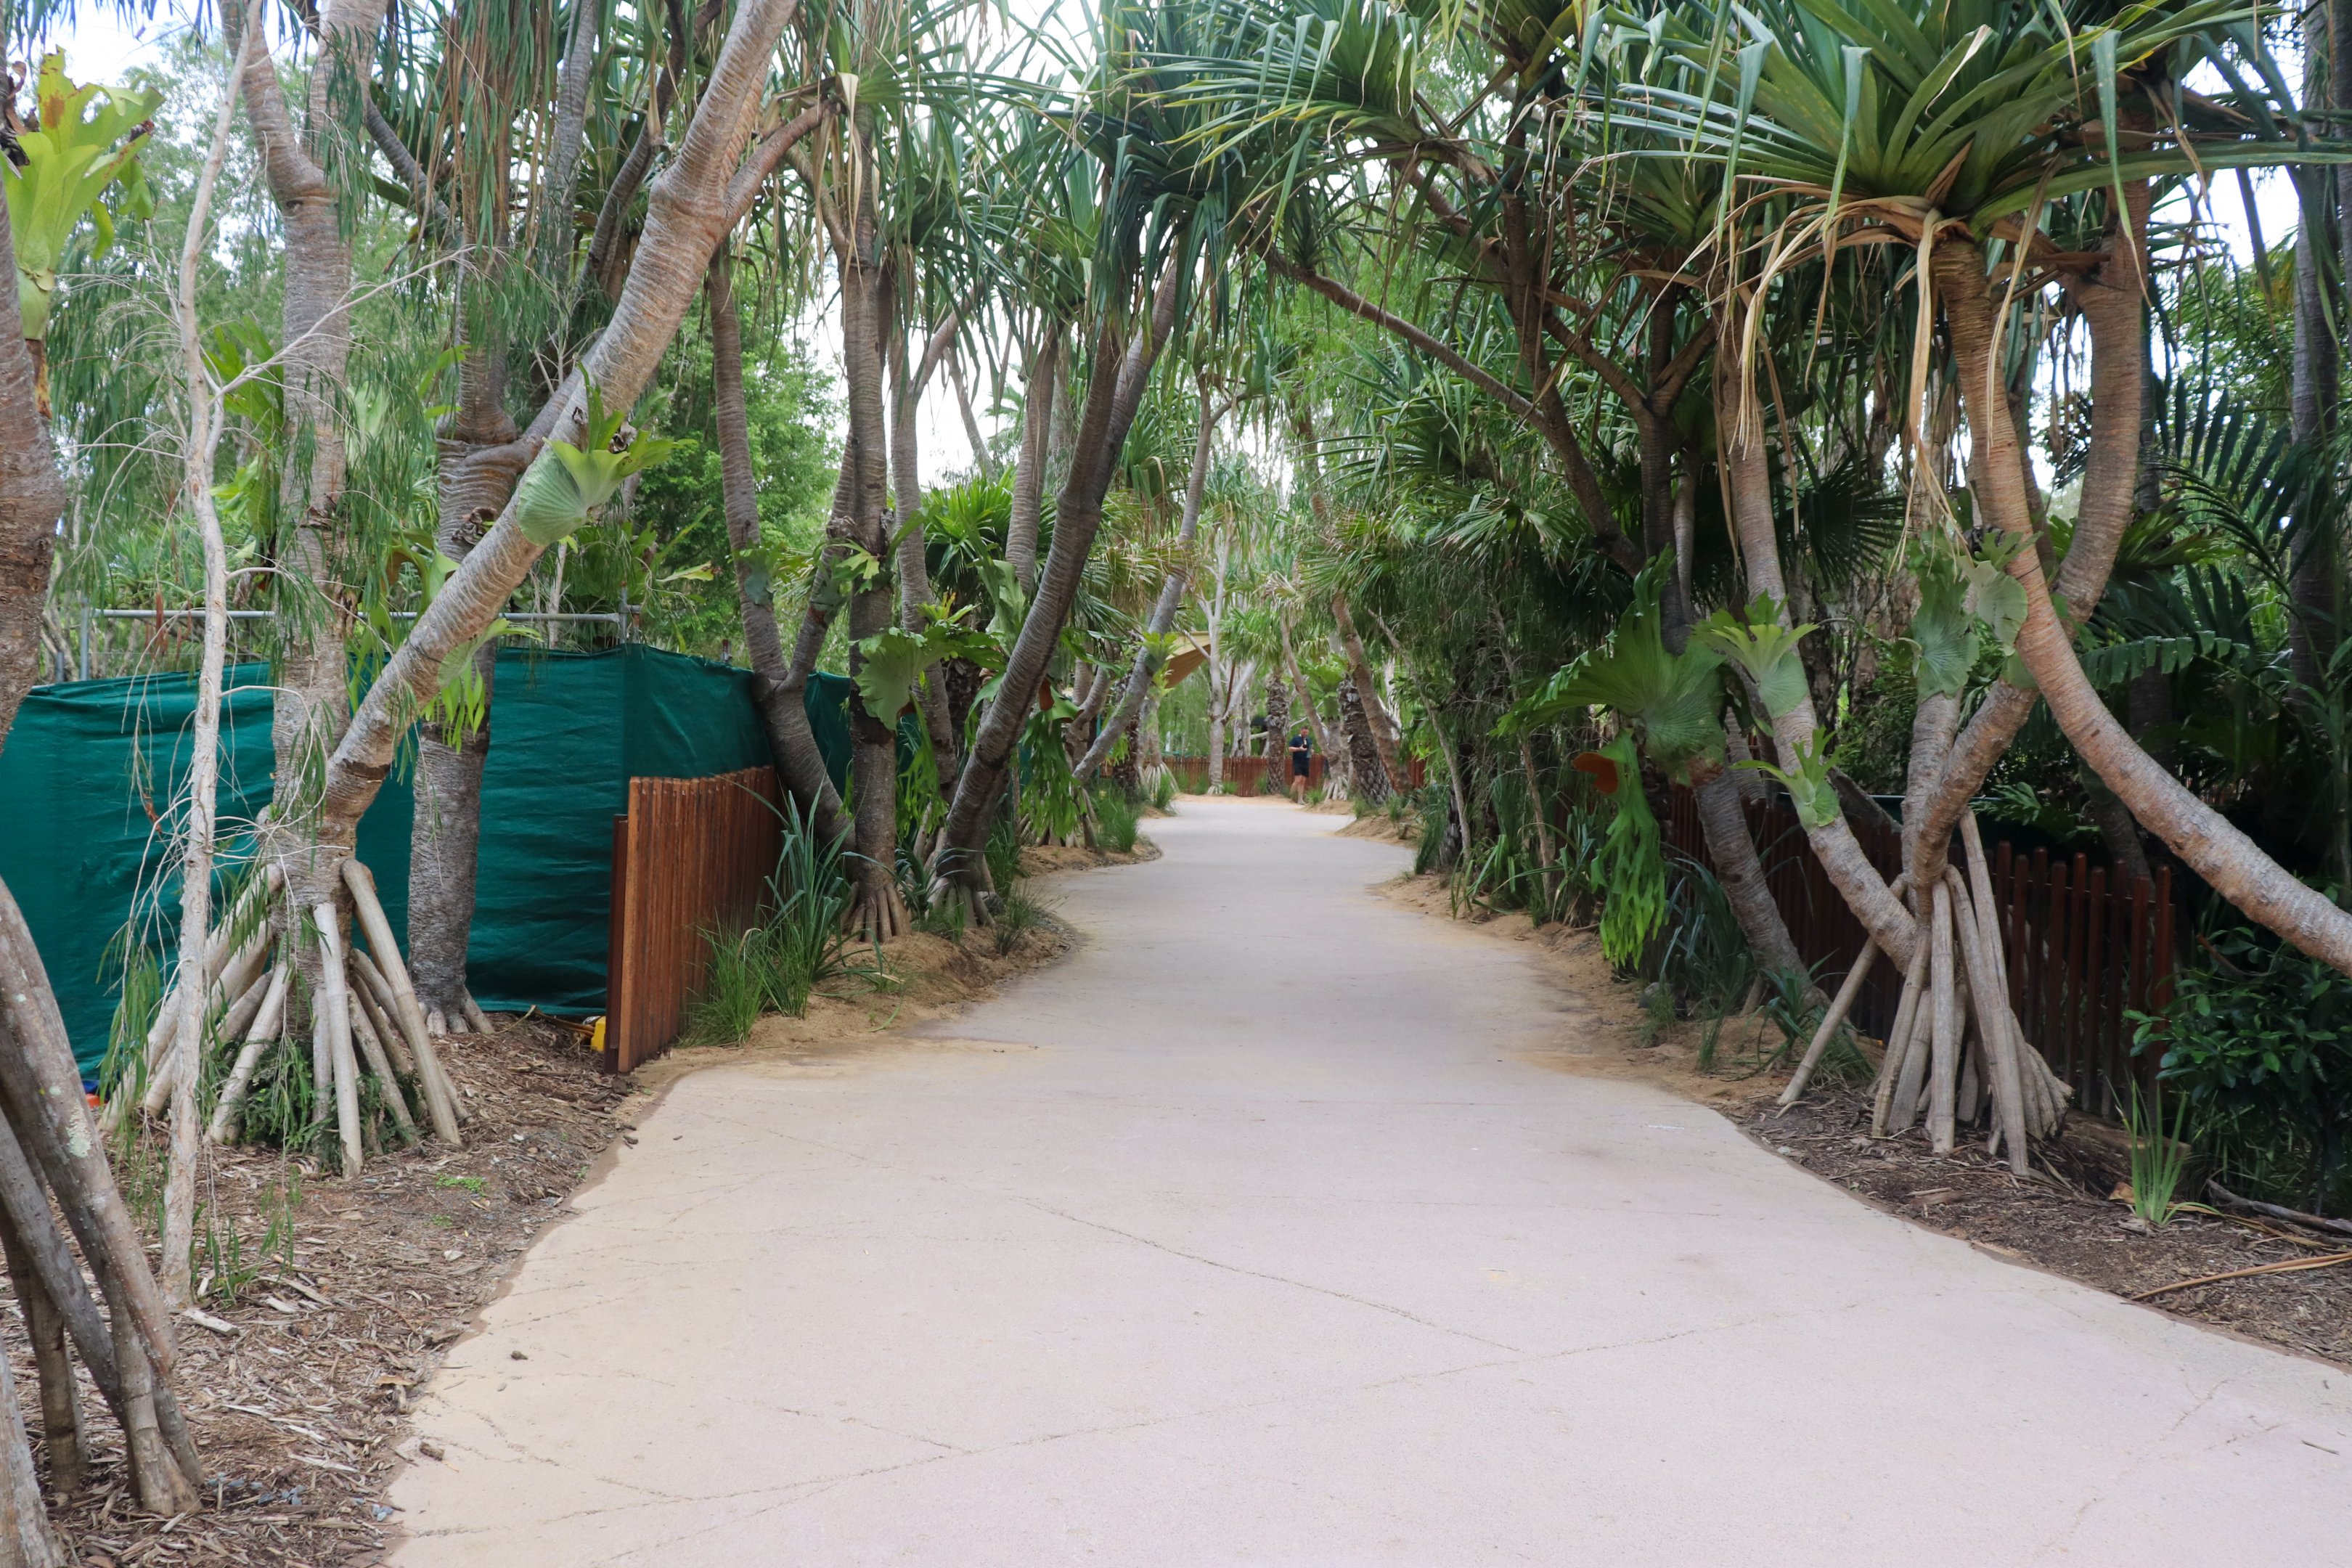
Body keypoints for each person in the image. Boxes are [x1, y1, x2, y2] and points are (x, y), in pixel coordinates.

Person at [1289, 728, 1312, 801]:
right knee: (1298, 780)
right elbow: (1290, 749)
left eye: (1306, 732)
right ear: (1301, 731)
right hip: (1297, 762)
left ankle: (1300, 799)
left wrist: (1311, 751)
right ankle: (1291, 797)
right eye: (1304, 732)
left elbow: (1311, 749)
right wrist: (1299, 749)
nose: (1305, 733)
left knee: (1303, 781)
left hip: (1306, 762)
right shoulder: (1296, 739)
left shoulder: (1309, 740)